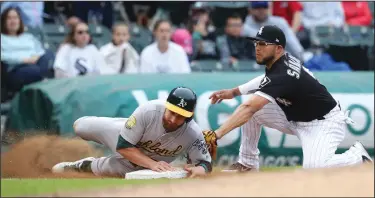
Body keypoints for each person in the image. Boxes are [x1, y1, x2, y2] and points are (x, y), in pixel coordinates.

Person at [204, 25, 373, 172]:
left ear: (278, 48)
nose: (257, 47)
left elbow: (250, 106)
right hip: (294, 115)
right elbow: (265, 82)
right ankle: (247, 164)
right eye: (256, 43)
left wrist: (217, 134)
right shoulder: (279, 63)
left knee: (315, 168)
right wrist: (234, 92)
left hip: (322, 123)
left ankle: (357, 156)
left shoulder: (284, 74)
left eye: (263, 44)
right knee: (253, 112)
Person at [52, 87, 213, 178]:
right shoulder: (149, 110)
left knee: (101, 170)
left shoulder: (193, 133)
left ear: (189, 118)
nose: (173, 118)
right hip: (122, 137)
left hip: (138, 163)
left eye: (180, 116)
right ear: (166, 105)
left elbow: (205, 163)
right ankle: (128, 124)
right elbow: (122, 146)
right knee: (80, 126)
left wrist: (200, 169)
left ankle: (80, 165)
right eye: (171, 112)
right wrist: (153, 164)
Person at [1, 7, 54, 92]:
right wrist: (24, 60)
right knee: (34, 70)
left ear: (19, 21)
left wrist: (36, 58)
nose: (13, 21)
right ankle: (45, 80)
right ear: (4, 21)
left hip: (36, 64)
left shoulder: (28, 37)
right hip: (15, 71)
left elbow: (40, 51)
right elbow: (2, 56)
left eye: (15, 18)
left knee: (48, 54)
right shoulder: (2, 38)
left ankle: (42, 79)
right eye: (9, 18)